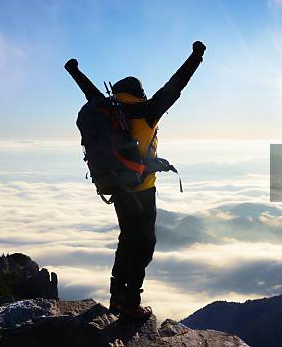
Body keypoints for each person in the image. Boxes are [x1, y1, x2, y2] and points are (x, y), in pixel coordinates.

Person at [65, 41, 206, 319]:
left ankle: (117, 298)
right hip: (142, 189)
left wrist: (74, 71)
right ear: (139, 93)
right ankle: (130, 304)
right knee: (144, 245)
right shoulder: (147, 110)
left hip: (116, 186)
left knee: (126, 240)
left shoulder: (105, 109)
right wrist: (196, 56)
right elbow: (176, 84)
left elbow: (89, 91)